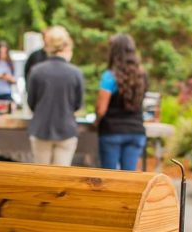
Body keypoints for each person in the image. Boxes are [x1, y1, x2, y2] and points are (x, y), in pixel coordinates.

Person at [26, 26, 84, 166]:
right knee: (60, 178)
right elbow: (77, 104)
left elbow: (31, 102)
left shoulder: (36, 71)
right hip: (66, 130)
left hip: (41, 129)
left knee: (41, 177)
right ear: (67, 47)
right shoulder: (75, 73)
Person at [95, 33, 148, 171]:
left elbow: (101, 109)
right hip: (136, 131)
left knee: (109, 179)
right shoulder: (142, 75)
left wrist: (96, 121)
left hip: (111, 132)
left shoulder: (109, 76)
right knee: (128, 179)